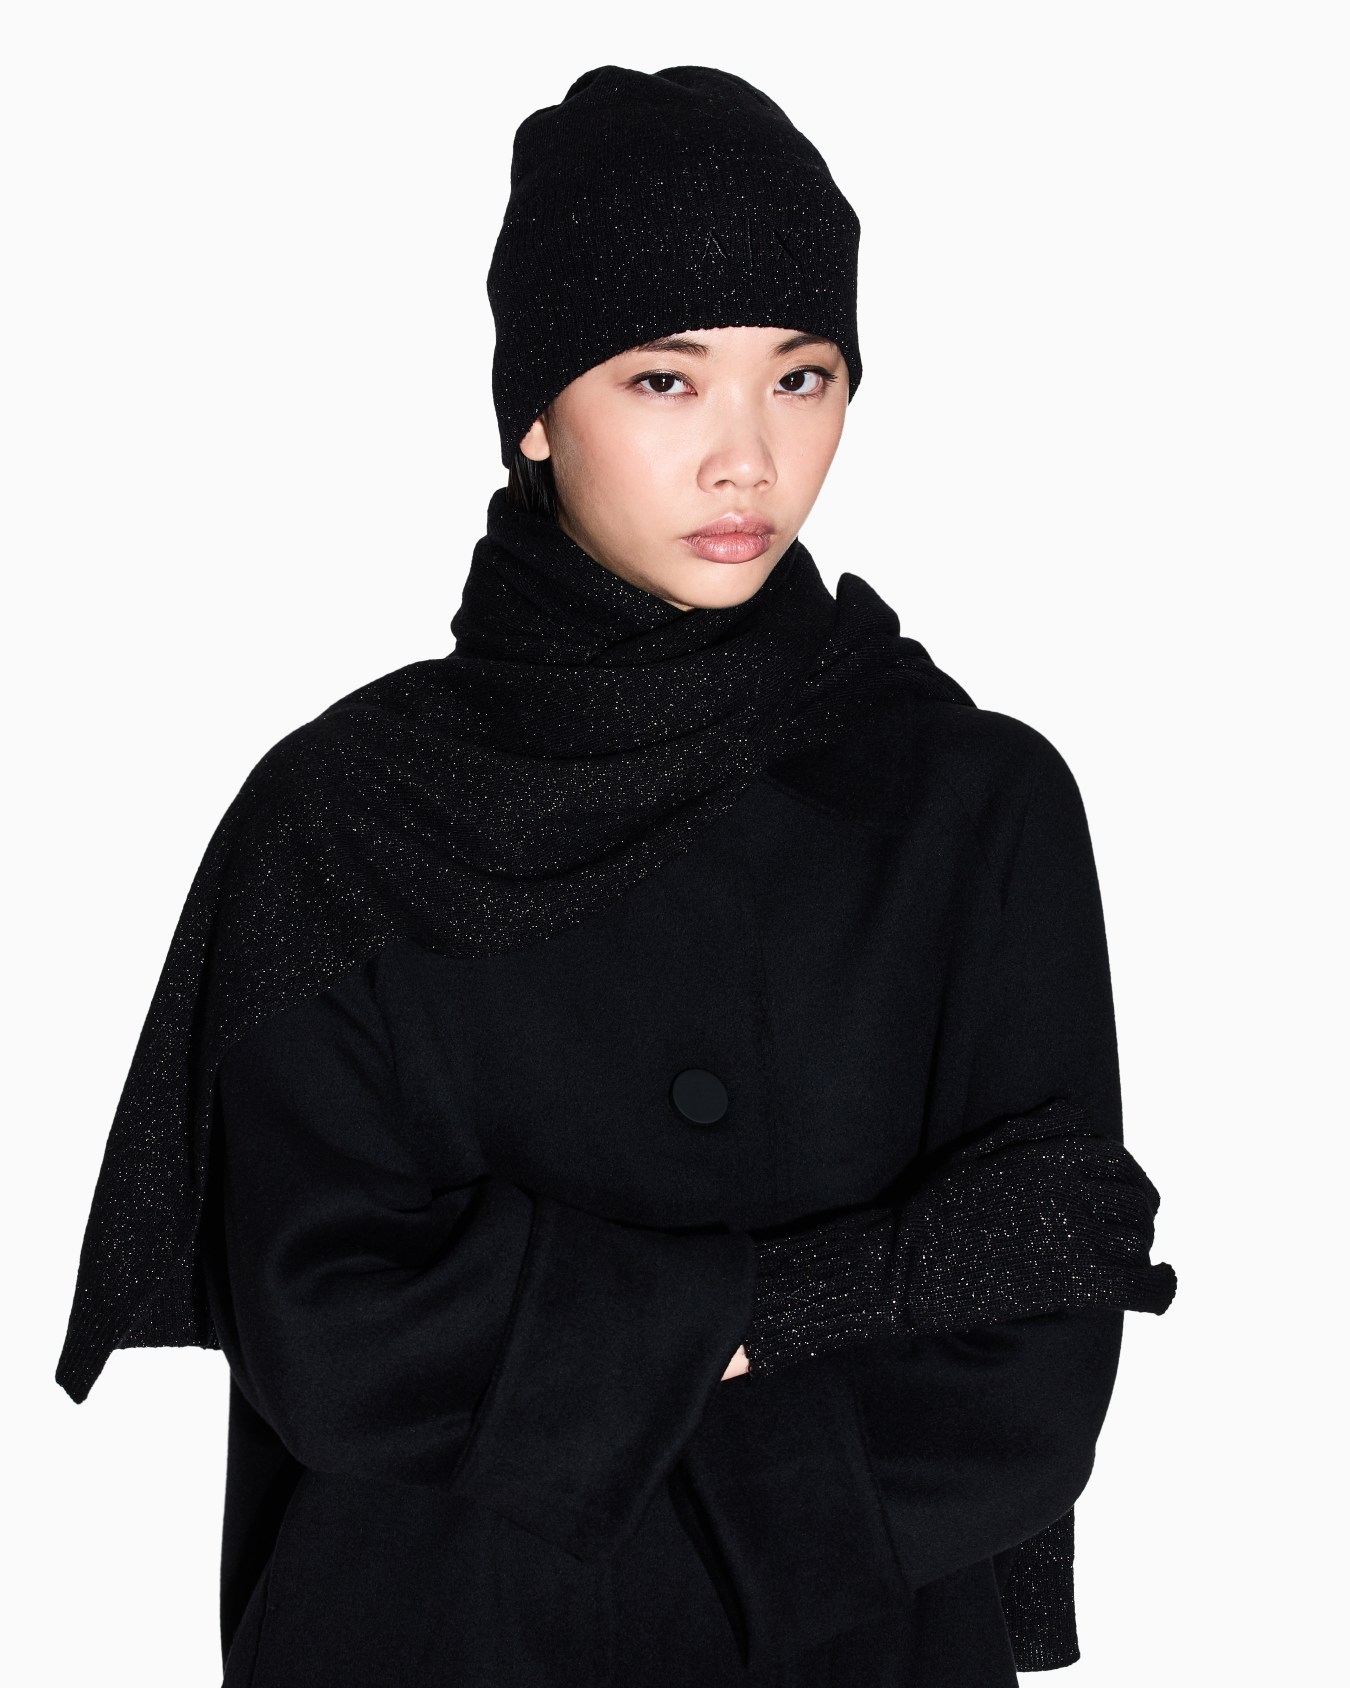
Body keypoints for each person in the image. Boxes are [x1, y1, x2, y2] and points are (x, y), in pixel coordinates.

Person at [55, 64, 1175, 1688]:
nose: (746, 459)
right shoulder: (342, 814)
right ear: (533, 408)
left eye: (801, 378)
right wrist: (814, 1302)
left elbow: (1035, 1356)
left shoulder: (970, 803)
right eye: (664, 380)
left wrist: (597, 1367)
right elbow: (332, 1326)